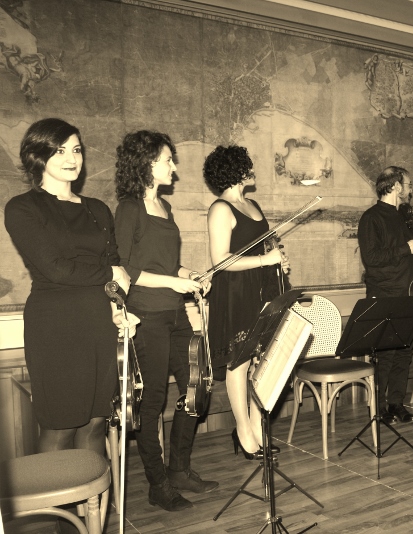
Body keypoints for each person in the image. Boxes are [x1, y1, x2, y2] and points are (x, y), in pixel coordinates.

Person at [4, 118, 133, 456]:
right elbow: (56, 269)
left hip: (99, 323)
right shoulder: (22, 208)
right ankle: (56, 494)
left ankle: (91, 493)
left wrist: (118, 309)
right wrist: (111, 272)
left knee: (95, 424)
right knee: (60, 428)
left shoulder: (98, 209)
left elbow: (114, 265)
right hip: (55, 327)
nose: (71, 158)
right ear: (38, 156)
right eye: (59, 151)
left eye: (76, 150)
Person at [114, 130, 218, 511]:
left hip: (175, 313)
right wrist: (175, 281)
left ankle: (179, 469)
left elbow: (168, 265)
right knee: (153, 401)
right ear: (146, 163)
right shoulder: (129, 208)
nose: (173, 167)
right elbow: (125, 268)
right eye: (167, 160)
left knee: (196, 387)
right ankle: (158, 484)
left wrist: (190, 275)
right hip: (146, 317)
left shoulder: (165, 207)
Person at [205, 145, 289, 459]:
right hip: (235, 292)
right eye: (246, 166)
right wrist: (265, 259)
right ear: (234, 171)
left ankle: (257, 426)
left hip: (260, 290)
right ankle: (242, 430)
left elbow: (263, 247)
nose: (251, 170)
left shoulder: (252, 204)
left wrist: (277, 261)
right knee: (239, 363)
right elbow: (220, 260)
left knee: (260, 361)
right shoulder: (220, 208)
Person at [358, 166, 413, 424]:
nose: (410, 190)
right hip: (384, 294)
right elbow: (372, 258)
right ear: (397, 186)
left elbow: (410, 256)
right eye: (408, 185)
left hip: (409, 292)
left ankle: (396, 404)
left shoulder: (405, 217)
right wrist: (407, 248)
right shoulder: (371, 218)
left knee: (404, 351)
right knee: (386, 354)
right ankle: (378, 408)